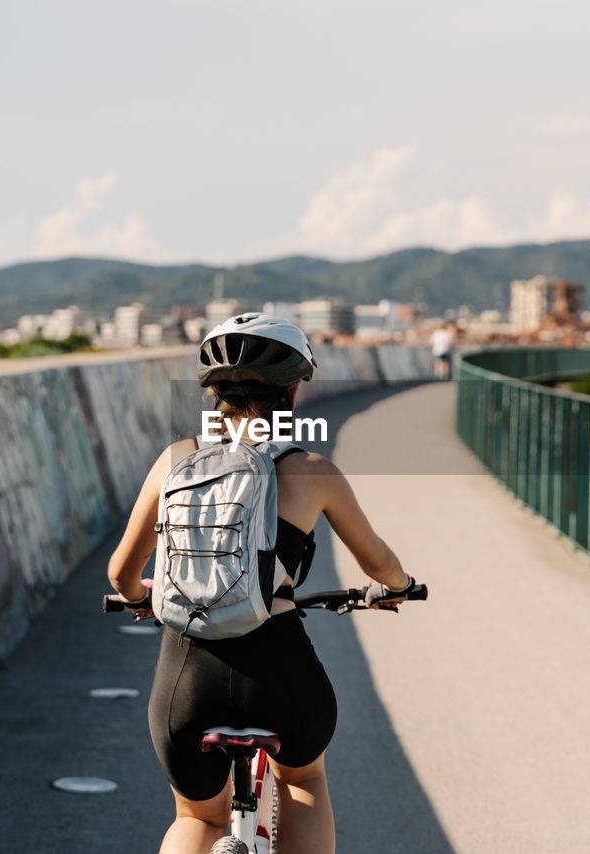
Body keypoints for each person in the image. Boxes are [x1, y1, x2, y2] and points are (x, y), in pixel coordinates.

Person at [107, 313, 414, 854]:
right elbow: (378, 562)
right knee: (303, 782)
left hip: (187, 675)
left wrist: (140, 598)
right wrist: (397, 585)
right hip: (279, 670)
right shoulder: (312, 470)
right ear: (293, 393)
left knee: (197, 818)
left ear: (214, 394)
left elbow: (121, 574)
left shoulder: (174, 462)